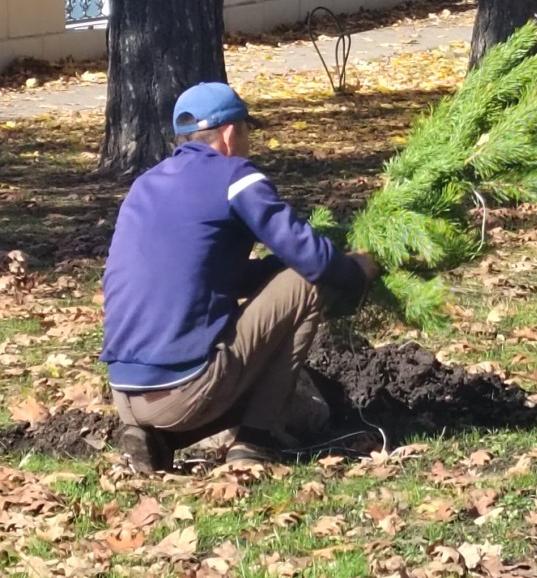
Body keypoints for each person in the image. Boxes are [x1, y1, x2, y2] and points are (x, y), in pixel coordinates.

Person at [101, 81, 379, 472]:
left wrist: (274, 270)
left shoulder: (145, 185)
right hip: (185, 392)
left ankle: (158, 438)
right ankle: (257, 439)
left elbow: (214, 275)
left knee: (286, 283)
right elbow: (311, 261)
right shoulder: (235, 177)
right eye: (248, 131)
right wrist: (358, 270)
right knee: (307, 285)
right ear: (231, 133)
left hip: (125, 393)